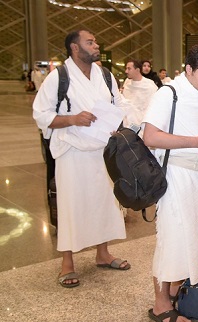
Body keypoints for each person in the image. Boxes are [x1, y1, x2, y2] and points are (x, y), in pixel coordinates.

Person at [33, 29, 130, 288]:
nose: (96, 45)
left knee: (104, 202)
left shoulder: (105, 75)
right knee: (72, 205)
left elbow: (120, 103)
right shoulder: (58, 77)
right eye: (90, 42)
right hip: (72, 152)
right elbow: (40, 114)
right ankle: (67, 262)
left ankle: (103, 253)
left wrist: (117, 118)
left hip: (103, 150)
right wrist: (72, 119)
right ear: (75, 48)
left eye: (96, 40)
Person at [142, 42, 198, 322]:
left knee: (192, 237)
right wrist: (195, 142)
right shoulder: (169, 94)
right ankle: (160, 302)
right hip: (176, 178)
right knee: (172, 238)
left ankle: (175, 291)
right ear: (189, 69)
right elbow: (150, 136)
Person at [121, 59, 158, 131]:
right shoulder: (127, 82)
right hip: (126, 123)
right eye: (126, 68)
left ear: (137, 70)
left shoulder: (149, 85)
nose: (126, 71)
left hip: (142, 124)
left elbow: (154, 106)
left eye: (129, 69)